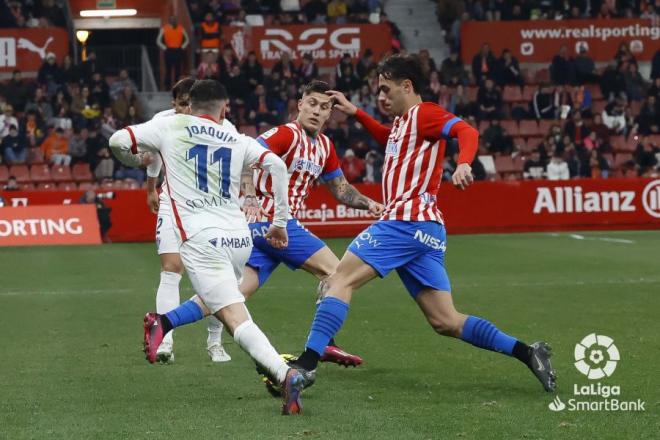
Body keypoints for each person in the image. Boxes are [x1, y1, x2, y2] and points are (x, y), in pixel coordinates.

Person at [289, 54, 556, 397]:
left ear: (407, 86)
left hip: (404, 221)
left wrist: (463, 164)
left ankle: (307, 363)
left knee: (339, 279)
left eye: (385, 90)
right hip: (427, 231)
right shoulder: (404, 123)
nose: (381, 97)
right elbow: (389, 137)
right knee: (446, 321)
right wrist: (356, 113)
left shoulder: (424, 113)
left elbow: (466, 130)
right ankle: (528, 352)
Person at [109, 79, 305, 415]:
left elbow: (118, 141)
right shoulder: (236, 136)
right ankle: (166, 323)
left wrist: (133, 162)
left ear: (189, 104)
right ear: (224, 107)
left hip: (202, 239)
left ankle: (281, 372)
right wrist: (280, 222)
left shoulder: (169, 124)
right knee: (224, 303)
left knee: (233, 316)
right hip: (239, 238)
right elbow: (277, 165)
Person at [161, 80, 384, 369]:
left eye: (325, 107)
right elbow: (244, 155)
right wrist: (251, 196)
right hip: (272, 221)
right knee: (337, 273)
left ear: (330, 114)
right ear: (300, 104)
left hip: (265, 232)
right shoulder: (284, 134)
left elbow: (340, 189)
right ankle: (323, 343)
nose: (317, 111)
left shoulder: (325, 147)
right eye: (312, 103)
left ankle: (164, 321)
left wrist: (369, 204)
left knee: (234, 293)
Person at [141, 78, 235, 363]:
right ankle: (165, 340)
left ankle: (215, 341)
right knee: (170, 269)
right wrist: (151, 186)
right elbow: (152, 153)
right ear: (175, 104)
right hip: (173, 201)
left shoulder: (223, 126)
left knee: (219, 274)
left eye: (190, 104)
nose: (186, 110)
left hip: (212, 208)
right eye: (182, 104)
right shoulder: (164, 122)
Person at [156, 16, 190, 89]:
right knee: (168, 69)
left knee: (178, 69)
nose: (173, 21)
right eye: (172, 20)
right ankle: (167, 86)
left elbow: (187, 40)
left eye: (174, 19)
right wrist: (165, 48)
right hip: (169, 51)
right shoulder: (164, 28)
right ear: (169, 21)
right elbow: (158, 41)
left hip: (178, 50)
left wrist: (182, 47)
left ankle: (177, 86)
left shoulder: (181, 28)